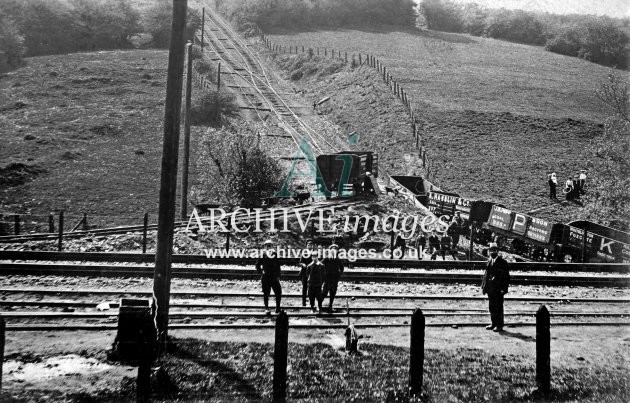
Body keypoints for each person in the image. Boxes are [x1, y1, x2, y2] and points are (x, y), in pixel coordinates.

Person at [481, 243, 510, 332]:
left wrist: (504, 289)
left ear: (497, 251)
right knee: (492, 307)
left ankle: (499, 325)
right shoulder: (489, 261)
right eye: (491, 250)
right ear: (489, 252)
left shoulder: (503, 262)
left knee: (498, 307)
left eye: (494, 250)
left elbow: (506, 277)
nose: (493, 252)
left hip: (498, 289)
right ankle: (493, 323)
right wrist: (484, 287)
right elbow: (486, 275)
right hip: (490, 289)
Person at [255, 240, 282, 315]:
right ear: (265, 247)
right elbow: (257, 265)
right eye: (267, 245)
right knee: (266, 293)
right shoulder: (263, 255)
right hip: (266, 277)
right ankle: (266, 308)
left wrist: (278, 275)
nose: (268, 247)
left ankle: (278, 308)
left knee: (278, 292)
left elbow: (278, 266)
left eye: (270, 245)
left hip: (274, 277)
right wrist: (261, 271)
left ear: (272, 246)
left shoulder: (275, 255)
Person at [322, 244, 344, 313]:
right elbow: (320, 265)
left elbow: (342, 268)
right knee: (324, 293)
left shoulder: (338, 259)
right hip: (327, 279)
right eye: (332, 250)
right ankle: (319, 306)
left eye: (335, 250)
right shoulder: (326, 259)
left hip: (335, 279)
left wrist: (339, 274)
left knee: (332, 293)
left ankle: (330, 306)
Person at [298, 240, 314, 307]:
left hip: (312, 272)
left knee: (312, 288)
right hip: (305, 272)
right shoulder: (304, 252)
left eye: (310, 244)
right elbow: (300, 262)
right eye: (308, 244)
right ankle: (304, 303)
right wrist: (303, 264)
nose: (309, 246)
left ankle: (311, 303)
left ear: (312, 245)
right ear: (306, 245)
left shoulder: (314, 253)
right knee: (304, 287)